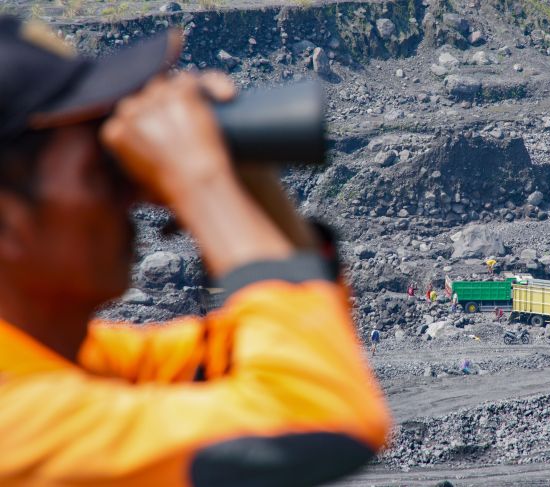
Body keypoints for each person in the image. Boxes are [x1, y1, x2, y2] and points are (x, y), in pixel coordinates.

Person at [0, 17, 390, 487]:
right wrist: (202, 182)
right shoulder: (16, 420)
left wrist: (242, 180)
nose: (128, 196)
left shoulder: (62, 355)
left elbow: (280, 352)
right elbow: (314, 417)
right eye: (101, 169)